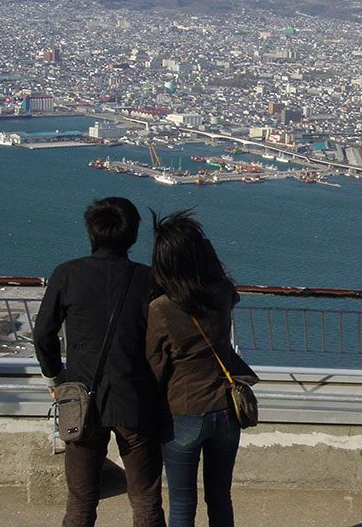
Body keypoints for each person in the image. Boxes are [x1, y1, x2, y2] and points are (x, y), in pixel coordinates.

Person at [34, 197, 165, 527]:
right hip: (135, 397)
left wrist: (57, 379)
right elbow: (165, 340)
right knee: (146, 498)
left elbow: (42, 336)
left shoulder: (67, 274)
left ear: (91, 232)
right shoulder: (149, 280)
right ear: (133, 236)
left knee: (81, 499)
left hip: (79, 397)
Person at [146, 209, 257, 527]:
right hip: (226, 410)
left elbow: (154, 364)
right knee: (220, 497)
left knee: (182, 503)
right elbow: (228, 289)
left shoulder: (161, 308)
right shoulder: (222, 294)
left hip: (183, 410)